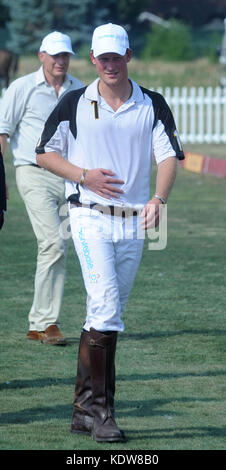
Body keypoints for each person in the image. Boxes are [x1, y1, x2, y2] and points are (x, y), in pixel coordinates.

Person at [36, 23, 185, 442]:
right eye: (103, 58)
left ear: (129, 56)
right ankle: (103, 414)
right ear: (93, 60)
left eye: (116, 56)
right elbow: (44, 152)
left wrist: (159, 199)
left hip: (135, 221)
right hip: (88, 216)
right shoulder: (75, 102)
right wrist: (84, 176)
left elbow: (170, 155)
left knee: (103, 315)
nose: (110, 64)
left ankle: (83, 410)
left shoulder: (151, 103)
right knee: (106, 308)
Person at [0, 31, 84, 345]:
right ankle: (47, 324)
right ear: (41, 56)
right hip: (32, 173)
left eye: (66, 56)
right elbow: (2, 132)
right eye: (55, 55)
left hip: (68, 177)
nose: (61, 61)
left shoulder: (79, 89)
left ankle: (39, 324)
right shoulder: (21, 88)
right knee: (53, 242)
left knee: (56, 247)